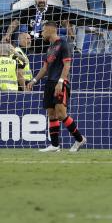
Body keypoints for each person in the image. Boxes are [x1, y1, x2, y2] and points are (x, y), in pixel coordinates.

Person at [27, 21, 86, 152]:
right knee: (51, 114)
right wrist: (34, 80)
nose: (41, 33)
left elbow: (67, 65)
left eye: (42, 30)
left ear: (50, 29)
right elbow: (45, 68)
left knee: (61, 114)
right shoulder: (49, 48)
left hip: (60, 82)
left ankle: (80, 139)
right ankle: (55, 146)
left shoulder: (63, 44)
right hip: (49, 83)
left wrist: (60, 81)